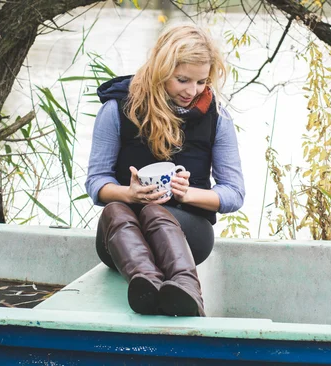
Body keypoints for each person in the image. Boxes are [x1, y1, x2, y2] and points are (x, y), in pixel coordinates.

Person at [85, 24, 245, 317]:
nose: (192, 91)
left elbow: (233, 194)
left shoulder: (217, 117)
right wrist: (129, 194)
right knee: (115, 210)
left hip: (188, 236)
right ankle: (149, 283)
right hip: (121, 242)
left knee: (154, 212)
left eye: (201, 82)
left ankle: (182, 287)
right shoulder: (117, 108)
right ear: (161, 69)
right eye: (182, 79)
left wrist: (188, 194)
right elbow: (96, 182)